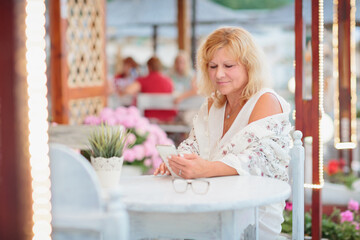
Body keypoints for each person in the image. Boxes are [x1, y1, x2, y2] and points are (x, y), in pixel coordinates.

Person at [154, 26, 292, 239]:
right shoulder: (213, 103)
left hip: (253, 213)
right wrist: (178, 161)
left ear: (250, 65)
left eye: (228, 65)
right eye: (212, 66)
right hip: (211, 203)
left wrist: (206, 169)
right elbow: (194, 144)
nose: (219, 74)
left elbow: (260, 160)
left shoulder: (266, 100)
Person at [120, 56, 177, 122]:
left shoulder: (143, 80)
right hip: (168, 118)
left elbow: (127, 91)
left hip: (149, 117)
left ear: (149, 67)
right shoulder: (169, 81)